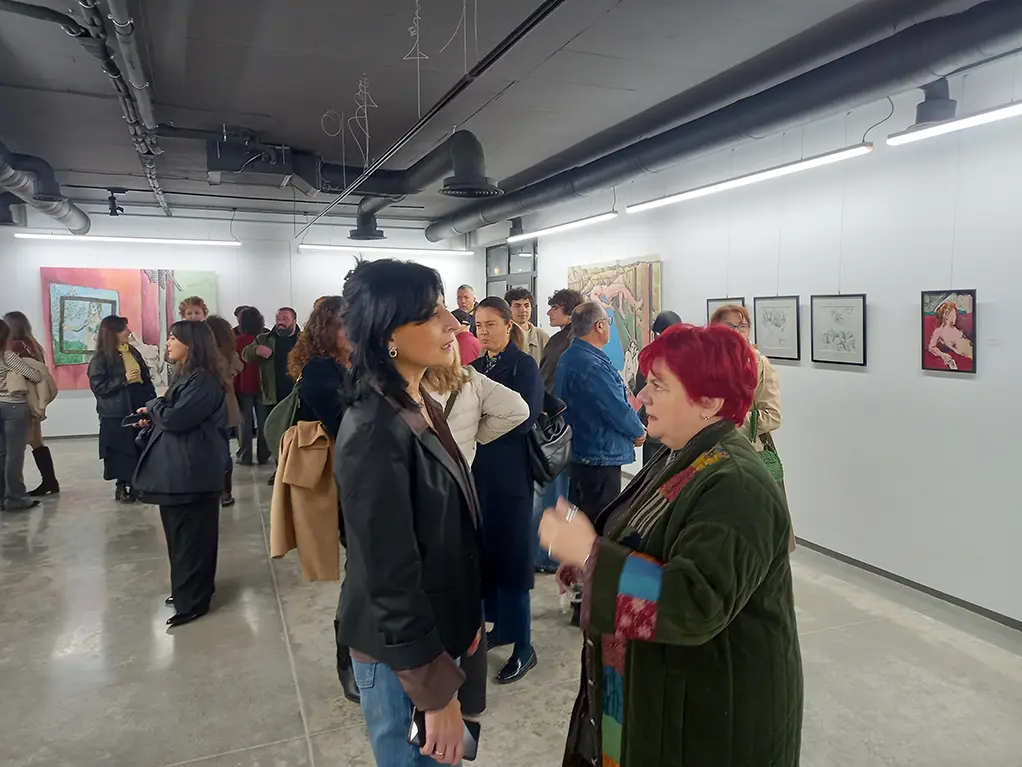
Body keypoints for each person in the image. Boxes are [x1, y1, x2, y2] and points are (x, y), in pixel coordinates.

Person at [540, 322, 803, 767]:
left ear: (710, 401)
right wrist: (589, 562)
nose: (642, 397)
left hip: (710, 719)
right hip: (655, 693)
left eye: (659, 386)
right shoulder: (681, 453)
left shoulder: (737, 484)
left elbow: (695, 602)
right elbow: (648, 539)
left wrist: (591, 554)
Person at [336, 259, 484, 766]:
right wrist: (433, 693)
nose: (454, 324)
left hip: (436, 633)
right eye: (431, 313)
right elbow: (388, 573)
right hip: (402, 657)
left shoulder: (417, 402)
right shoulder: (375, 430)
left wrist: (468, 617)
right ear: (388, 335)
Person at [134, 320, 228, 628]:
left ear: (191, 344)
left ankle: (194, 601)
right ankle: (185, 590)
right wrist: (154, 415)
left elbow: (177, 419)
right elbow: (173, 415)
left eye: (174, 338)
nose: (168, 342)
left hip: (193, 472)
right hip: (179, 471)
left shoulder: (203, 380)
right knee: (179, 537)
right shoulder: (186, 375)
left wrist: (154, 405)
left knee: (193, 539)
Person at [472, 296, 544, 684]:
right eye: (478, 326)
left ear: (507, 326)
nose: (483, 332)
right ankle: (500, 627)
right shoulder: (474, 367)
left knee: (514, 560)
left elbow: (524, 418)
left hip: (512, 476)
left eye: (490, 324)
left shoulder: (523, 365)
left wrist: (482, 425)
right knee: (487, 557)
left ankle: (525, 646)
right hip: (479, 475)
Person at [556, 302, 645, 522]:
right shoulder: (592, 365)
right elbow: (615, 408)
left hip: (580, 451)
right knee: (599, 522)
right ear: (599, 325)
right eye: (608, 322)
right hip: (599, 456)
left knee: (581, 521)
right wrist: (638, 431)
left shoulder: (570, 357)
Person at [534, 288, 583, 573]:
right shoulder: (565, 342)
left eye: (554, 307)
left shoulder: (563, 341)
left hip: (555, 424)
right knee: (556, 494)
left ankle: (547, 554)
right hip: (558, 425)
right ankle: (548, 555)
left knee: (554, 494)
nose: (549, 312)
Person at [424, 344, 529, 466]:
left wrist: (476, 434)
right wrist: (473, 434)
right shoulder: (473, 380)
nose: (483, 334)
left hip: (421, 469)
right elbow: (518, 409)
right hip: (459, 468)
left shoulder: (412, 388)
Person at [88, 315, 156, 504]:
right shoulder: (100, 358)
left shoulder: (133, 351)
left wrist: (152, 402)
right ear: (113, 333)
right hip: (116, 412)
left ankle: (138, 485)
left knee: (139, 445)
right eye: (124, 329)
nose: (129, 332)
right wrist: (124, 379)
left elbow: (145, 377)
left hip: (137, 404)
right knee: (121, 450)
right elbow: (99, 387)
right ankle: (123, 486)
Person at [710, 304, 781, 455]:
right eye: (729, 326)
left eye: (742, 327)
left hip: (743, 451)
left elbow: (772, 416)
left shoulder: (759, 364)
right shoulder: (703, 362)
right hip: (704, 448)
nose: (736, 332)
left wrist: (727, 421)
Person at [3, 311, 59, 496]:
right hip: (33, 399)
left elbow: (27, 375)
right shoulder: (33, 345)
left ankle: (40, 484)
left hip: (22, 400)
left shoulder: (15, 347)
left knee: (16, 448)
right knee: (36, 441)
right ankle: (49, 481)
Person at [243, 307, 300, 484]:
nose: (280, 322)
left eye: (285, 319)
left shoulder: (304, 339)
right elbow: (245, 354)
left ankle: (297, 471)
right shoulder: (264, 339)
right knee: (276, 434)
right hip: (272, 395)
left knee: (297, 434)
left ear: (294, 321)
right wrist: (256, 350)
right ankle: (279, 469)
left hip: (297, 395)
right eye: (278, 318)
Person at [0, 318, 44, 511]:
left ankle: (2, 496)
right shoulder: (7, 356)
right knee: (14, 454)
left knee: (2, 453)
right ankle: (16, 498)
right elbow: (35, 375)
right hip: (13, 407)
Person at [634, 310, 682, 464]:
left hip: (654, 423)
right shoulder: (686, 358)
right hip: (678, 425)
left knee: (652, 471)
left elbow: (639, 390)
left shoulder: (649, 356)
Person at [205, 315, 243, 507]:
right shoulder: (229, 353)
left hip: (208, 407)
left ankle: (213, 488)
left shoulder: (202, 355)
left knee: (209, 449)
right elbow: (239, 367)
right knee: (224, 448)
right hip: (226, 405)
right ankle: (225, 491)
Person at [235, 307, 270, 466]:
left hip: (244, 387)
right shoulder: (265, 339)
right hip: (263, 386)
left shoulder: (238, 341)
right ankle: (264, 455)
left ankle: (245, 456)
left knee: (244, 423)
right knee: (263, 422)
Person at [505, 287, 549, 364]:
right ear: (508, 309)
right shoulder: (502, 334)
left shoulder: (542, 336)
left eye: (526, 306)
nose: (523, 310)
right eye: (517, 306)